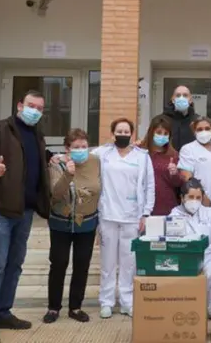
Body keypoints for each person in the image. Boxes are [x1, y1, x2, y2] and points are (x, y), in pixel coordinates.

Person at [0, 90, 51, 343]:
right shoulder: (0, 129)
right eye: (31, 106)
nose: (35, 111)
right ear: (19, 105)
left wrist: (54, 158)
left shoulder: (37, 134)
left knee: (14, 265)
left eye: (39, 108)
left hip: (24, 211)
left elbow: (33, 162)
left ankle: (3, 312)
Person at [92, 117, 155, 319]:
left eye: (126, 132)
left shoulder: (142, 156)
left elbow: (149, 186)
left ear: (132, 134)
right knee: (108, 262)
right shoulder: (102, 154)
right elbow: (81, 155)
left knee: (129, 263)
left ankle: (127, 302)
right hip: (108, 215)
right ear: (112, 134)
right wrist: (60, 157)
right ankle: (107, 301)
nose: (123, 135)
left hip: (132, 216)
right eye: (119, 131)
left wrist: (146, 212)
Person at [43, 128, 100, 324]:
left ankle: (75, 307)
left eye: (84, 146)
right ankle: (53, 308)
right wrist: (67, 174)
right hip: (61, 223)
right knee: (58, 264)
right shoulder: (57, 163)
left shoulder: (95, 161)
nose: (81, 150)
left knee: (82, 265)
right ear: (67, 148)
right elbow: (55, 194)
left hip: (87, 223)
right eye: (76, 147)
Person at [168, 178, 211, 319]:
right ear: (182, 197)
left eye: (198, 197)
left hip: (207, 256)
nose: (194, 201)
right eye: (191, 197)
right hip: (184, 259)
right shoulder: (173, 215)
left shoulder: (208, 212)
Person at [178, 116, 211, 258]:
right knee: (202, 240)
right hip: (199, 203)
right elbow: (187, 176)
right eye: (199, 129)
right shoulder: (188, 149)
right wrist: (203, 197)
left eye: (207, 128)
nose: (203, 132)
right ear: (194, 131)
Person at [140, 115, 183, 216]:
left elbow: (178, 183)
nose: (162, 136)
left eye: (165, 133)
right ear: (151, 132)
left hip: (166, 206)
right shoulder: (140, 151)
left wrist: (175, 174)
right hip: (142, 205)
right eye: (159, 132)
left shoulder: (174, 155)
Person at [160, 86, 199, 151]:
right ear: (173, 100)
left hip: (190, 160)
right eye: (178, 95)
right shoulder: (162, 120)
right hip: (168, 159)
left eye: (185, 95)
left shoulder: (197, 120)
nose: (181, 98)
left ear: (190, 100)